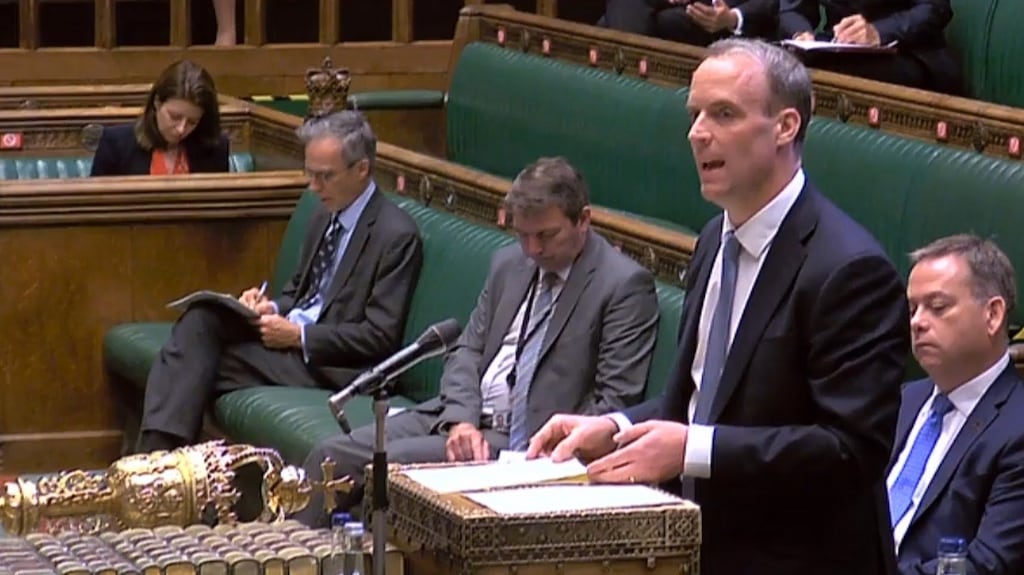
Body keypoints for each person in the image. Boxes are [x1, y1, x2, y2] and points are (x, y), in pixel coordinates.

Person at [528, 39, 910, 575]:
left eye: (723, 113)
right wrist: (615, 426)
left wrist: (691, 452)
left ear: (785, 127)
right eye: (695, 114)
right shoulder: (714, 240)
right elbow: (710, 401)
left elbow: (851, 450)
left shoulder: (848, 270)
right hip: (701, 548)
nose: (697, 132)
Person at [292, 157, 661, 527]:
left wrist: (550, 448)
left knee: (383, 469)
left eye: (546, 236)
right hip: (459, 418)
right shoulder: (509, 264)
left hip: (521, 441)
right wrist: (462, 421)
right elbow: (467, 351)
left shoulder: (623, 286)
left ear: (583, 219)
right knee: (332, 456)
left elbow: (615, 403)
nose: (533, 250)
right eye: (523, 235)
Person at [134, 111, 423, 454]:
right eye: (310, 174)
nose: (313, 187)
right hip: (287, 340)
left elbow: (379, 336)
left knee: (190, 363)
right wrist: (270, 306)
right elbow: (300, 290)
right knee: (201, 320)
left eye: (324, 176)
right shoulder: (323, 213)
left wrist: (298, 336)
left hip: (332, 365)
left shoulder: (396, 235)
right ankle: (163, 468)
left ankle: (156, 465)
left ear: (361, 170)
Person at [885, 235, 1024, 575]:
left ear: (992, 315)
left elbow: (987, 566)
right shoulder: (902, 400)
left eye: (937, 306)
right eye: (912, 308)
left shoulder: (1017, 427)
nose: (916, 322)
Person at [780, 0, 962, 95]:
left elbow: (934, 9)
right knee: (772, 65)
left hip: (911, 52)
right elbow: (791, 8)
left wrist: (878, 32)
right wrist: (801, 33)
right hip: (836, 47)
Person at [90, 60, 229, 176]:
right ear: (157, 103)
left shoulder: (215, 148)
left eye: (192, 122)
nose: (181, 129)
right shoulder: (116, 145)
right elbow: (95, 204)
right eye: (175, 117)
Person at [601, 0, 778, 46]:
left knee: (668, 22)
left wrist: (731, 18)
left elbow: (773, 5)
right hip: (660, 10)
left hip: (718, 23)